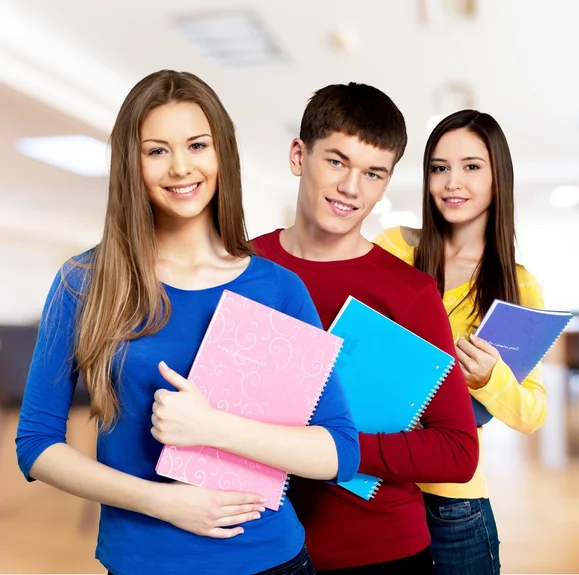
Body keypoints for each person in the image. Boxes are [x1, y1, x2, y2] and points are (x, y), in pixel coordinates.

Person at [15, 70, 360, 575]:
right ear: (131, 164)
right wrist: (164, 502)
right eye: (156, 150)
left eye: (197, 145)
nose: (180, 167)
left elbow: (338, 451)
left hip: (270, 558)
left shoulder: (277, 287)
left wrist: (211, 428)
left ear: (221, 153)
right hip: (143, 560)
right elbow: (36, 444)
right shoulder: (84, 282)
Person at [252, 83, 479, 574]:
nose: (352, 188)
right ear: (299, 155)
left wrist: (332, 449)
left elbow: (458, 451)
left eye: (373, 173)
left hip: (381, 551)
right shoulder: (237, 266)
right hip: (254, 547)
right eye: (336, 161)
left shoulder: (409, 291)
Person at [374, 109, 548, 575]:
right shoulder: (393, 249)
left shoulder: (517, 287)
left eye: (472, 166)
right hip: (372, 486)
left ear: (498, 178)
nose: (453, 182)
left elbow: (532, 413)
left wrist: (490, 379)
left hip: (453, 506)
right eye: (439, 167)